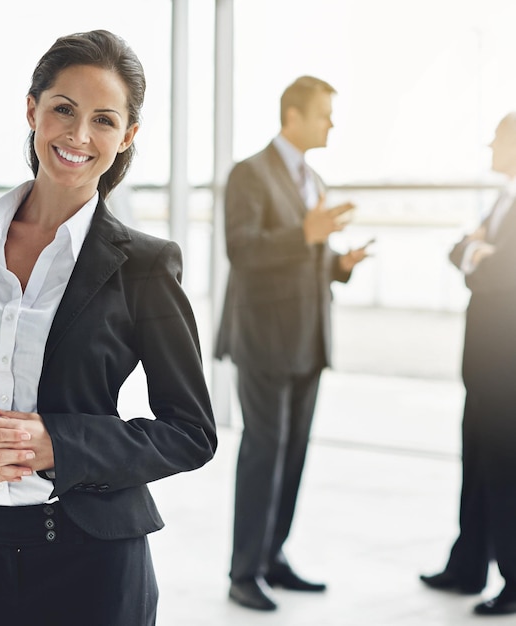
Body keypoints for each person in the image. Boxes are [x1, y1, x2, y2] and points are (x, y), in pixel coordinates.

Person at [0, 29, 216, 626]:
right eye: (63, 109)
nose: (78, 136)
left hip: (95, 564)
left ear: (128, 137)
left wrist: (57, 445)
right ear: (32, 109)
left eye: (104, 120)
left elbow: (191, 430)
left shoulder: (144, 264)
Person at [215, 75, 370, 611]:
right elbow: (242, 249)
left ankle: (272, 558)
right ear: (293, 117)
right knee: (264, 453)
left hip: (309, 339)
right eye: (325, 113)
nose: (332, 123)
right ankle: (244, 572)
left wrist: (340, 263)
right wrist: (306, 233)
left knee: (294, 455)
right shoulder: (249, 174)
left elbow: (310, 257)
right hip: (263, 338)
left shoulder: (314, 178)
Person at [420, 112, 516, 616]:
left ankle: (514, 581)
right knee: (476, 466)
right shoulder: (504, 198)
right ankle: (468, 566)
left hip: (508, 366)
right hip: (484, 364)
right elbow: (462, 252)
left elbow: (501, 272)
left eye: (498, 138)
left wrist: (476, 255)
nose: (489, 147)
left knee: (505, 471)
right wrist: (478, 252)